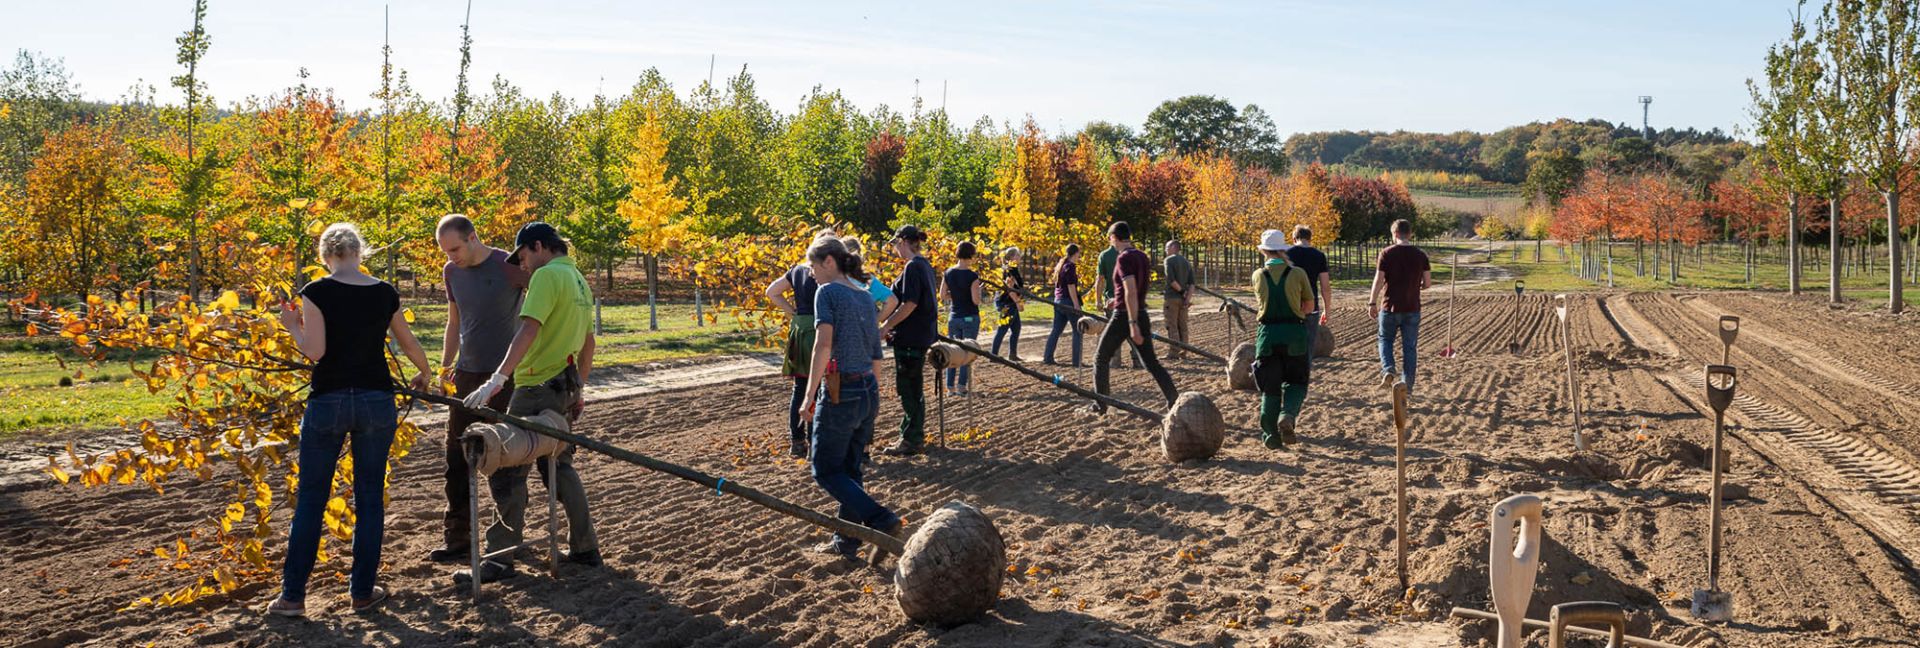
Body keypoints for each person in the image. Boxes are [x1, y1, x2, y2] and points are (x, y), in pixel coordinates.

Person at [267, 223, 432, 617]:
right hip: (377, 399)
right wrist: (423, 372)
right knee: (370, 498)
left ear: (326, 256)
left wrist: (293, 328)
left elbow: (316, 351)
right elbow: (407, 342)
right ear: (361, 252)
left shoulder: (317, 292)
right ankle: (361, 593)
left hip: (330, 400)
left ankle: (292, 597)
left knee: (311, 499)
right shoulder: (384, 292)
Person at [456, 222, 602, 586]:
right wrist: (579, 389)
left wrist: (498, 378)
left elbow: (528, 329)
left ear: (538, 246)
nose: (520, 264)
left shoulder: (547, 276)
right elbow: (588, 342)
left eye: (522, 255)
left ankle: (500, 558)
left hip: (536, 386)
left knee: (507, 466)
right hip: (565, 388)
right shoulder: (579, 279)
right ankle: (585, 548)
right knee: (560, 468)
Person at [428, 214, 530, 564]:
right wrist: (444, 369)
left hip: (505, 376)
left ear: (472, 237)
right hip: (466, 375)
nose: (451, 256)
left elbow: (538, 312)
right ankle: (458, 538)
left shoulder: (510, 265)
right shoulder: (451, 272)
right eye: (445, 250)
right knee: (457, 458)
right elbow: (454, 322)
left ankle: (505, 540)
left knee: (503, 461)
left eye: (455, 248)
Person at [797, 236, 903, 559]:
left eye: (813, 266)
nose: (811, 274)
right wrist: (874, 397)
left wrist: (809, 395)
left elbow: (823, 346)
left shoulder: (827, 293)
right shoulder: (863, 295)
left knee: (825, 470)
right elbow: (876, 354)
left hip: (841, 389)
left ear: (829, 261)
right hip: (867, 390)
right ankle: (847, 542)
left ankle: (881, 520)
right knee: (851, 469)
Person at [1092, 221, 1178, 412]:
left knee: (1100, 358)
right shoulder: (1141, 256)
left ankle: (1100, 405)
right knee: (1151, 363)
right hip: (1140, 312)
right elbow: (1135, 289)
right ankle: (1174, 399)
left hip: (1125, 316)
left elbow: (1131, 291)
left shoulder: (1123, 258)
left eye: (1110, 238)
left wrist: (1132, 323)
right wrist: (1118, 299)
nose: (1110, 242)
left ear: (1114, 237)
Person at [1251, 230, 1316, 450]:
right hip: (1294, 334)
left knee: (1270, 388)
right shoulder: (1297, 273)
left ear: (1264, 251)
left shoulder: (1258, 275)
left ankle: (1270, 436)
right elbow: (1309, 307)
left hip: (1267, 336)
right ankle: (1287, 414)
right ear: (1283, 250)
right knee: (1297, 382)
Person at [880, 225, 939, 456]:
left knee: (909, 387)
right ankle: (913, 433)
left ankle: (911, 438)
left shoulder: (913, 267)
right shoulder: (924, 265)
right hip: (919, 335)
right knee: (913, 386)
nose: (895, 249)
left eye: (895, 244)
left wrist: (886, 326)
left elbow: (910, 304)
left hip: (911, 337)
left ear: (903, 241)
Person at [767, 249, 822, 457]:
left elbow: (772, 291)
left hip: (799, 329)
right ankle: (813, 442)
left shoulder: (796, 270)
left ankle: (797, 442)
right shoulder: (824, 270)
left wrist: (792, 311)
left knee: (800, 387)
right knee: (817, 387)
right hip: (818, 328)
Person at [1369, 218, 1432, 396]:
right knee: (1409, 348)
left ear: (1395, 234)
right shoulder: (1421, 255)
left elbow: (1379, 280)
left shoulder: (1386, 253)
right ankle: (1407, 386)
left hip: (1389, 307)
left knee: (1385, 340)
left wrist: (1372, 302)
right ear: (1410, 234)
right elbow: (1427, 283)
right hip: (1412, 308)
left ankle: (1388, 369)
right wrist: (1416, 286)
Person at [940, 242, 984, 395]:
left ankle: (950, 387)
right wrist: (979, 291)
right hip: (969, 317)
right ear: (971, 255)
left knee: (953, 350)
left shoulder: (948, 273)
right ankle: (962, 387)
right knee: (967, 352)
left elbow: (942, 295)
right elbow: (975, 300)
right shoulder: (972, 276)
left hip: (954, 316)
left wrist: (956, 296)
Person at [1285, 225, 1332, 360]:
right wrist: (1326, 310)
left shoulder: (1287, 254)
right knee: (1307, 351)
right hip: (1311, 306)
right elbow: (1325, 287)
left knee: (1289, 349)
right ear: (1310, 239)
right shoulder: (1319, 256)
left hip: (1291, 306)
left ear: (1294, 238)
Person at [1094, 238, 1138, 368]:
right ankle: (1138, 359)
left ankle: (1115, 361)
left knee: (1113, 332)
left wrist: (1098, 300)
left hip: (1112, 301)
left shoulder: (1104, 255)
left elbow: (1100, 279)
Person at [1042, 244, 1084, 367]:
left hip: (1058, 301)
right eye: (1078, 254)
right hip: (1068, 302)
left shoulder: (1061, 266)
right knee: (1078, 331)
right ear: (1075, 253)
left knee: (1056, 330)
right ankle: (1076, 361)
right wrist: (1076, 305)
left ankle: (1047, 357)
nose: (1079, 256)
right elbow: (1071, 287)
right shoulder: (1070, 267)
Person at [842, 237, 899, 320]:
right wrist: (875, 322)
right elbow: (892, 301)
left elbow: (893, 301)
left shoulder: (837, 278)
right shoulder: (867, 278)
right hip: (865, 330)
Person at [990, 247, 1027, 362]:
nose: (1019, 257)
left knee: (1016, 329)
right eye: (1017, 255)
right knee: (1002, 329)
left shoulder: (1013, 269)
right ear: (1011, 257)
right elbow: (1009, 288)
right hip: (1007, 303)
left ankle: (1012, 354)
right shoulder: (1009, 270)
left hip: (1011, 302)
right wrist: (1017, 302)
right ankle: (993, 355)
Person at [1161, 240, 1194, 361]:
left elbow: (1171, 280)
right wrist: (1187, 298)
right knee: (1183, 326)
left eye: (1167, 247)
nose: (1165, 250)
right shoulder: (1186, 262)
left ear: (1173, 247)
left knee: (1172, 325)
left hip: (1172, 298)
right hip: (1183, 300)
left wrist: (1181, 292)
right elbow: (1192, 284)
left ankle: (1174, 353)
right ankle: (1184, 352)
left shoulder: (1168, 261)